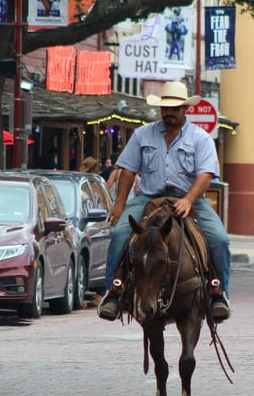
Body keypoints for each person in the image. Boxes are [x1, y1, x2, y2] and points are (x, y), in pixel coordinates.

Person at [97, 81, 231, 322]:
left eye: (175, 108)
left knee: (219, 239)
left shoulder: (200, 138)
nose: (169, 113)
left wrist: (189, 200)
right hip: (149, 197)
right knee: (119, 235)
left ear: (185, 109)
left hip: (189, 199)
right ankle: (113, 292)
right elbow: (128, 169)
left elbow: (206, 174)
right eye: (165, 108)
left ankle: (218, 293)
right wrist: (119, 204)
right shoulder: (142, 134)